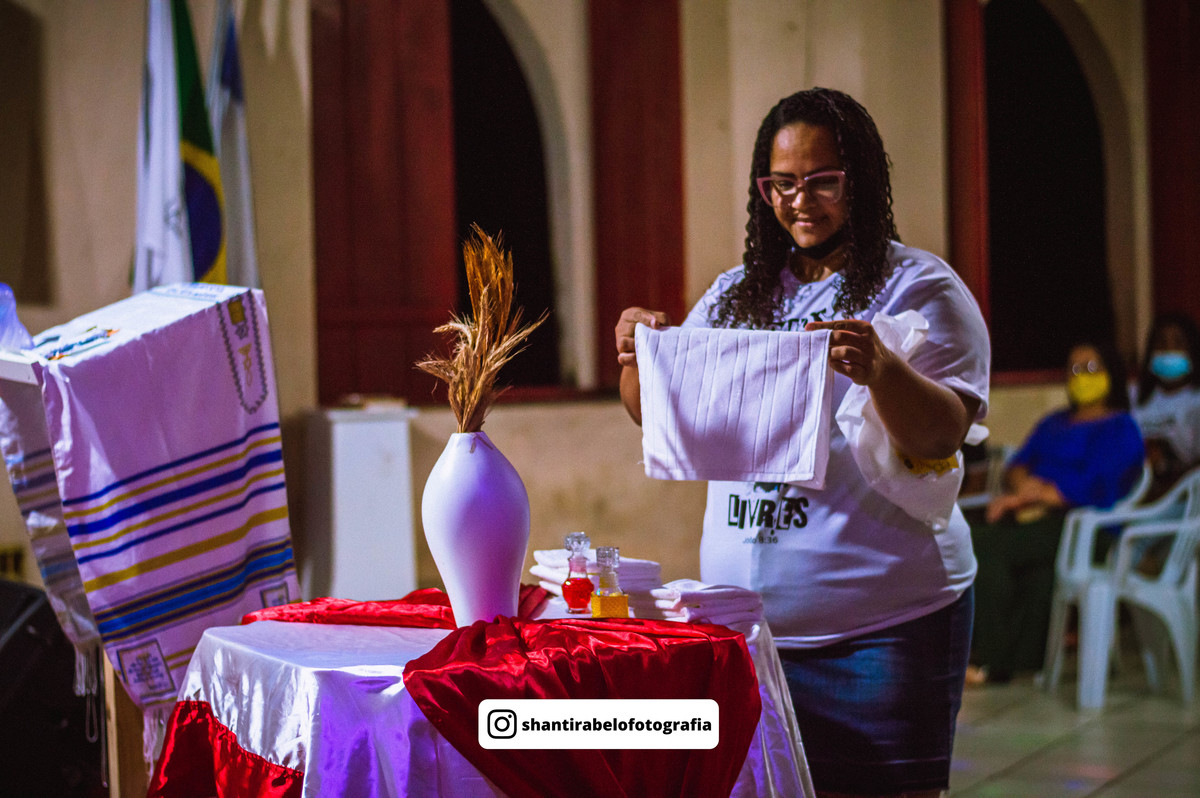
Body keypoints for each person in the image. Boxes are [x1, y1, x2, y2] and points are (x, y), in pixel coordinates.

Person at [615, 88, 990, 798]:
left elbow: (945, 433)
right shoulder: (734, 295)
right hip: (748, 636)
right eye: (781, 183)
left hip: (883, 630)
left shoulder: (918, 288)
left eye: (822, 181)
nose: (800, 200)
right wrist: (637, 361)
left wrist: (881, 369)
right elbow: (663, 414)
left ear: (862, 181)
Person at [967, 341, 1144, 686]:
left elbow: (1098, 484)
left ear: (1112, 374)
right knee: (1033, 572)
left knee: (982, 544)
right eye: (1075, 370)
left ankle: (989, 656)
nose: (1082, 377)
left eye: (1092, 369)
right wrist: (1024, 489)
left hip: (1084, 527)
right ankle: (1015, 660)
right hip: (1035, 516)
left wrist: (1037, 494)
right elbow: (1018, 467)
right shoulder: (1054, 423)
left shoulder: (1120, 428)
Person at [1132, 312, 1200, 502]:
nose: (1169, 351)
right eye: (1162, 344)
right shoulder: (1135, 397)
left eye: (1178, 344)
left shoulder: (1196, 401)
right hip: (1135, 491)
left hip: (1184, 499)